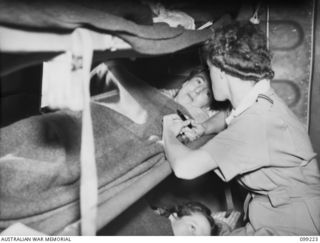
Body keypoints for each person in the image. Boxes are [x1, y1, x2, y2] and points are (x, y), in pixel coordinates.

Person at [162, 21, 320, 235]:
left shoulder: (256, 124)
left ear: (221, 71)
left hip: (295, 228)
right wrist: (203, 127)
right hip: (279, 213)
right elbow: (228, 115)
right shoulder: (261, 98)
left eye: (209, 70)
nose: (209, 76)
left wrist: (168, 132)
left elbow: (184, 168)